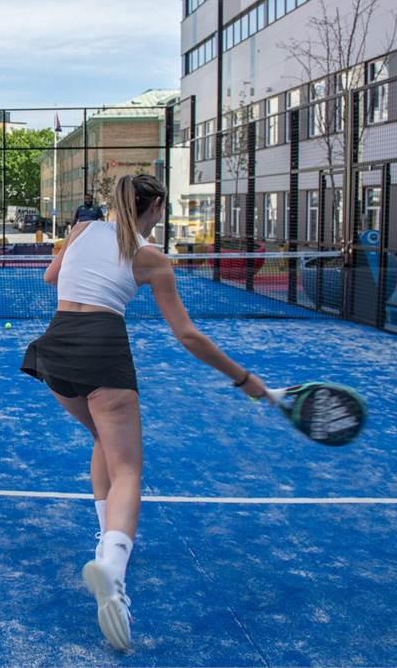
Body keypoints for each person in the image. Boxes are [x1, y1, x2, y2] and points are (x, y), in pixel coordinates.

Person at [20, 174, 270, 653]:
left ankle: (106, 540)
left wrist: (81, 255)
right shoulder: (151, 257)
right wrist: (243, 378)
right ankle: (113, 572)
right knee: (129, 468)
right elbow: (188, 335)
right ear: (155, 206)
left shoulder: (82, 230)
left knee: (103, 440)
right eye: (163, 209)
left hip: (54, 352)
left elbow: (52, 277)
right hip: (102, 350)